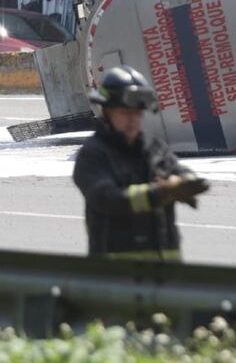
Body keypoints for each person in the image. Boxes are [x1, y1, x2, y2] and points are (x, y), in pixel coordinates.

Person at [73, 65, 210, 261]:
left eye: (137, 113)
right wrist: (160, 192)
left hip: (166, 272)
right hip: (116, 277)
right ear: (106, 112)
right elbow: (106, 199)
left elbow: (182, 172)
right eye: (124, 113)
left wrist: (184, 183)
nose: (132, 120)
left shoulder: (154, 147)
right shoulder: (93, 155)